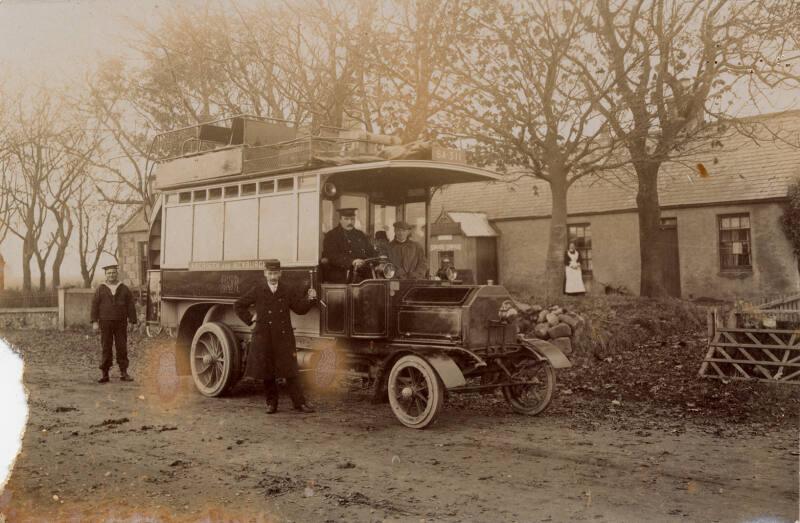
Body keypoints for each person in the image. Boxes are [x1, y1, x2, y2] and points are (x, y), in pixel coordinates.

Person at [234, 259, 318, 414]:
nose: (273, 276)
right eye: (270, 273)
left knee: (290, 371)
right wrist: (250, 318)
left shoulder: (287, 289)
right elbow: (238, 305)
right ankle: (271, 403)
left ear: (280, 273)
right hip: (264, 336)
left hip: (283, 337)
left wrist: (310, 299)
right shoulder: (258, 289)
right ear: (265, 273)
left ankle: (299, 403)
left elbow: (300, 309)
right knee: (268, 372)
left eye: (275, 273)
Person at [91, 264, 138, 383]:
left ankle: (124, 372)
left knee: (122, 347)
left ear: (117, 274)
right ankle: (105, 373)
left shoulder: (124, 288)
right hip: (105, 322)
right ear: (105, 275)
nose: (111, 275)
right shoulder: (100, 288)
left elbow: (131, 306)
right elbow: (94, 306)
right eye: (109, 273)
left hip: (120, 322)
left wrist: (132, 321)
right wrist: (94, 322)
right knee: (106, 347)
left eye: (113, 273)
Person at [321, 208, 377, 283]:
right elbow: (332, 256)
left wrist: (379, 260)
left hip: (363, 274)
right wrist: (352, 261)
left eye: (352, 219)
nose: (350, 222)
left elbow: (370, 251)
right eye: (346, 219)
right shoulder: (331, 235)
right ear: (340, 220)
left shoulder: (360, 234)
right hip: (341, 275)